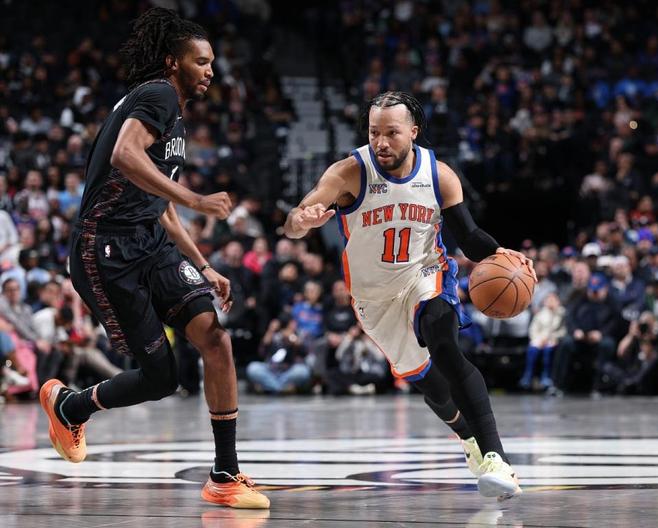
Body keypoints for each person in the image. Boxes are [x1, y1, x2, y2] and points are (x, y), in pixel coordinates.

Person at [38, 8, 269, 509]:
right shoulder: (158, 94)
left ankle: (225, 474)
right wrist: (197, 200)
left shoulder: (171, 110)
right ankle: (70, 406)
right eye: (201, 61)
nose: (210, 71)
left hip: (149, 241)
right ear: (172, 62)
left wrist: (203, 265)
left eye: (212, 62)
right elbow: (124, 155)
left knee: (216, 339)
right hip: (106, 248)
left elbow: (157, 203)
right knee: (161, 378)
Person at [284, 91, 536, 500]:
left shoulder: (440, 176)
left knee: (445, 346)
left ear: (413, 132)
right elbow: (295, 219)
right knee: (431, 385)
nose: (381, 142)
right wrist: (302, 221)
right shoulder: (349, 173)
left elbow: (468, 237)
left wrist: (501, 253)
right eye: (374, 132)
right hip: (374, 298)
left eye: (392, 133)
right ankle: (469, 440)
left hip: (425, 275)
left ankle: (498, 459)